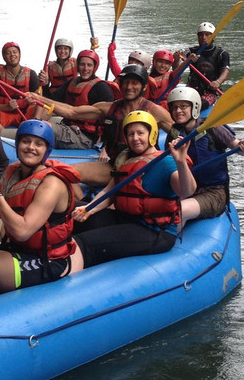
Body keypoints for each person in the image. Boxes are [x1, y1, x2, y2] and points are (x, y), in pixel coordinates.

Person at [0, 120, 82, 305]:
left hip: (46, 261)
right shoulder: (11, 174)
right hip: (17, 251)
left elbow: (23, 232)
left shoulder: (52, 183)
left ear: (47, 150)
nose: (31, 147)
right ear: (18, 145)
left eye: (38, 144)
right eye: (26, 141)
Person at [70, 110, 195, 267]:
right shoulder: (127, 160)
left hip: (154, 231)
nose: (135, 138)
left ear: (152, 134)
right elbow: (108, 193)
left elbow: (187, 191)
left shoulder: (165, 162)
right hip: (125, 220)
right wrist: (89, 208)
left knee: (84, 243)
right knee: (69, 209)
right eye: (130, 134)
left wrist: (181, 162)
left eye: (140, 133)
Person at [31, 63, 171, 163]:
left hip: (143, 164)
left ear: (143, 87)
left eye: (134, 83)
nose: (129, 87)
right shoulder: (108, 108)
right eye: (126, 83)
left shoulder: (155, 111)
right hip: (115, 164)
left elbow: (178, 133)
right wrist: (38, 98)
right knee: (68, 174)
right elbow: (72, 112)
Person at [165, 86, 244, 221]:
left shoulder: (212, 127)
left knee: (177, 210)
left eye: (183, 106)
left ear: (194, 108)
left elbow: (237, 147)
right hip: (185, 190)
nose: (178, 111)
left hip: (213, 192)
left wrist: (243, 146)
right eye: (174, 107)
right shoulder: (174, 133)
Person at [32, 49, 114, 149]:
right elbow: (52, 99)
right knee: (36, 123)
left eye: (89, 65)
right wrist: (45, 85)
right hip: (69, 128)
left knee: (40, 127)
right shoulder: (73, 82)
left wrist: (106, 145)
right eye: (82, 64)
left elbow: (111, 117)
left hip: (85, 137)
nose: (85, 68)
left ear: (94, 67)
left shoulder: (101, 87)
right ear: (78, 66)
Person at [0, 41, 39, 128]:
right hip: (4, 113)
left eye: (15, 52)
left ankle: (34, 127)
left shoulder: (31, 74)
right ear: (4, 57)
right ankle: (1, 135)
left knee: (43, 107)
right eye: (8, 53)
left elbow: (39, 99)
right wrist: (6, 107)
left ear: (19, 55)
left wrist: (32, 102)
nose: (12, 55)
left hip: (26, 113)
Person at [182, 20, 230, 90]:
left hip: (210, 90)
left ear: (213, 37)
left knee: (205, 101)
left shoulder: (222, 54)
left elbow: (225, 71)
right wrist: (177, 59)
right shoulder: (190, 52)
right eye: (200, 34)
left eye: (207, 35)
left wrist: (218, 82)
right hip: (192, 89)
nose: (203, 37)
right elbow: (176, 68)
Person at [39, 37, 77, 101]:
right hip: (55, 96)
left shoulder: (75, 63)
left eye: (65, 49)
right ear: (56, 51)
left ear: (70, 51)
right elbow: (45, 86)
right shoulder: (50, 66)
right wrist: (43, 80)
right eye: (60, 49)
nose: (62, 51)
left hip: (70, 94)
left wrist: (92, 47)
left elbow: (88, 62)